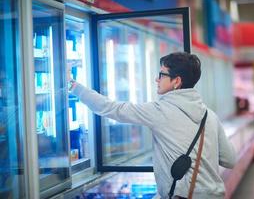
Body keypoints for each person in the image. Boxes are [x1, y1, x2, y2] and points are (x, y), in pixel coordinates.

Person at [68, 52, 236, 198]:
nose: (157, 79)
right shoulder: (210, 116)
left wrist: (73, 86)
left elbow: (112, 108)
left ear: (176, 81)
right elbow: (230, 160)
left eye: (162, 74)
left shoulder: (160, 111)